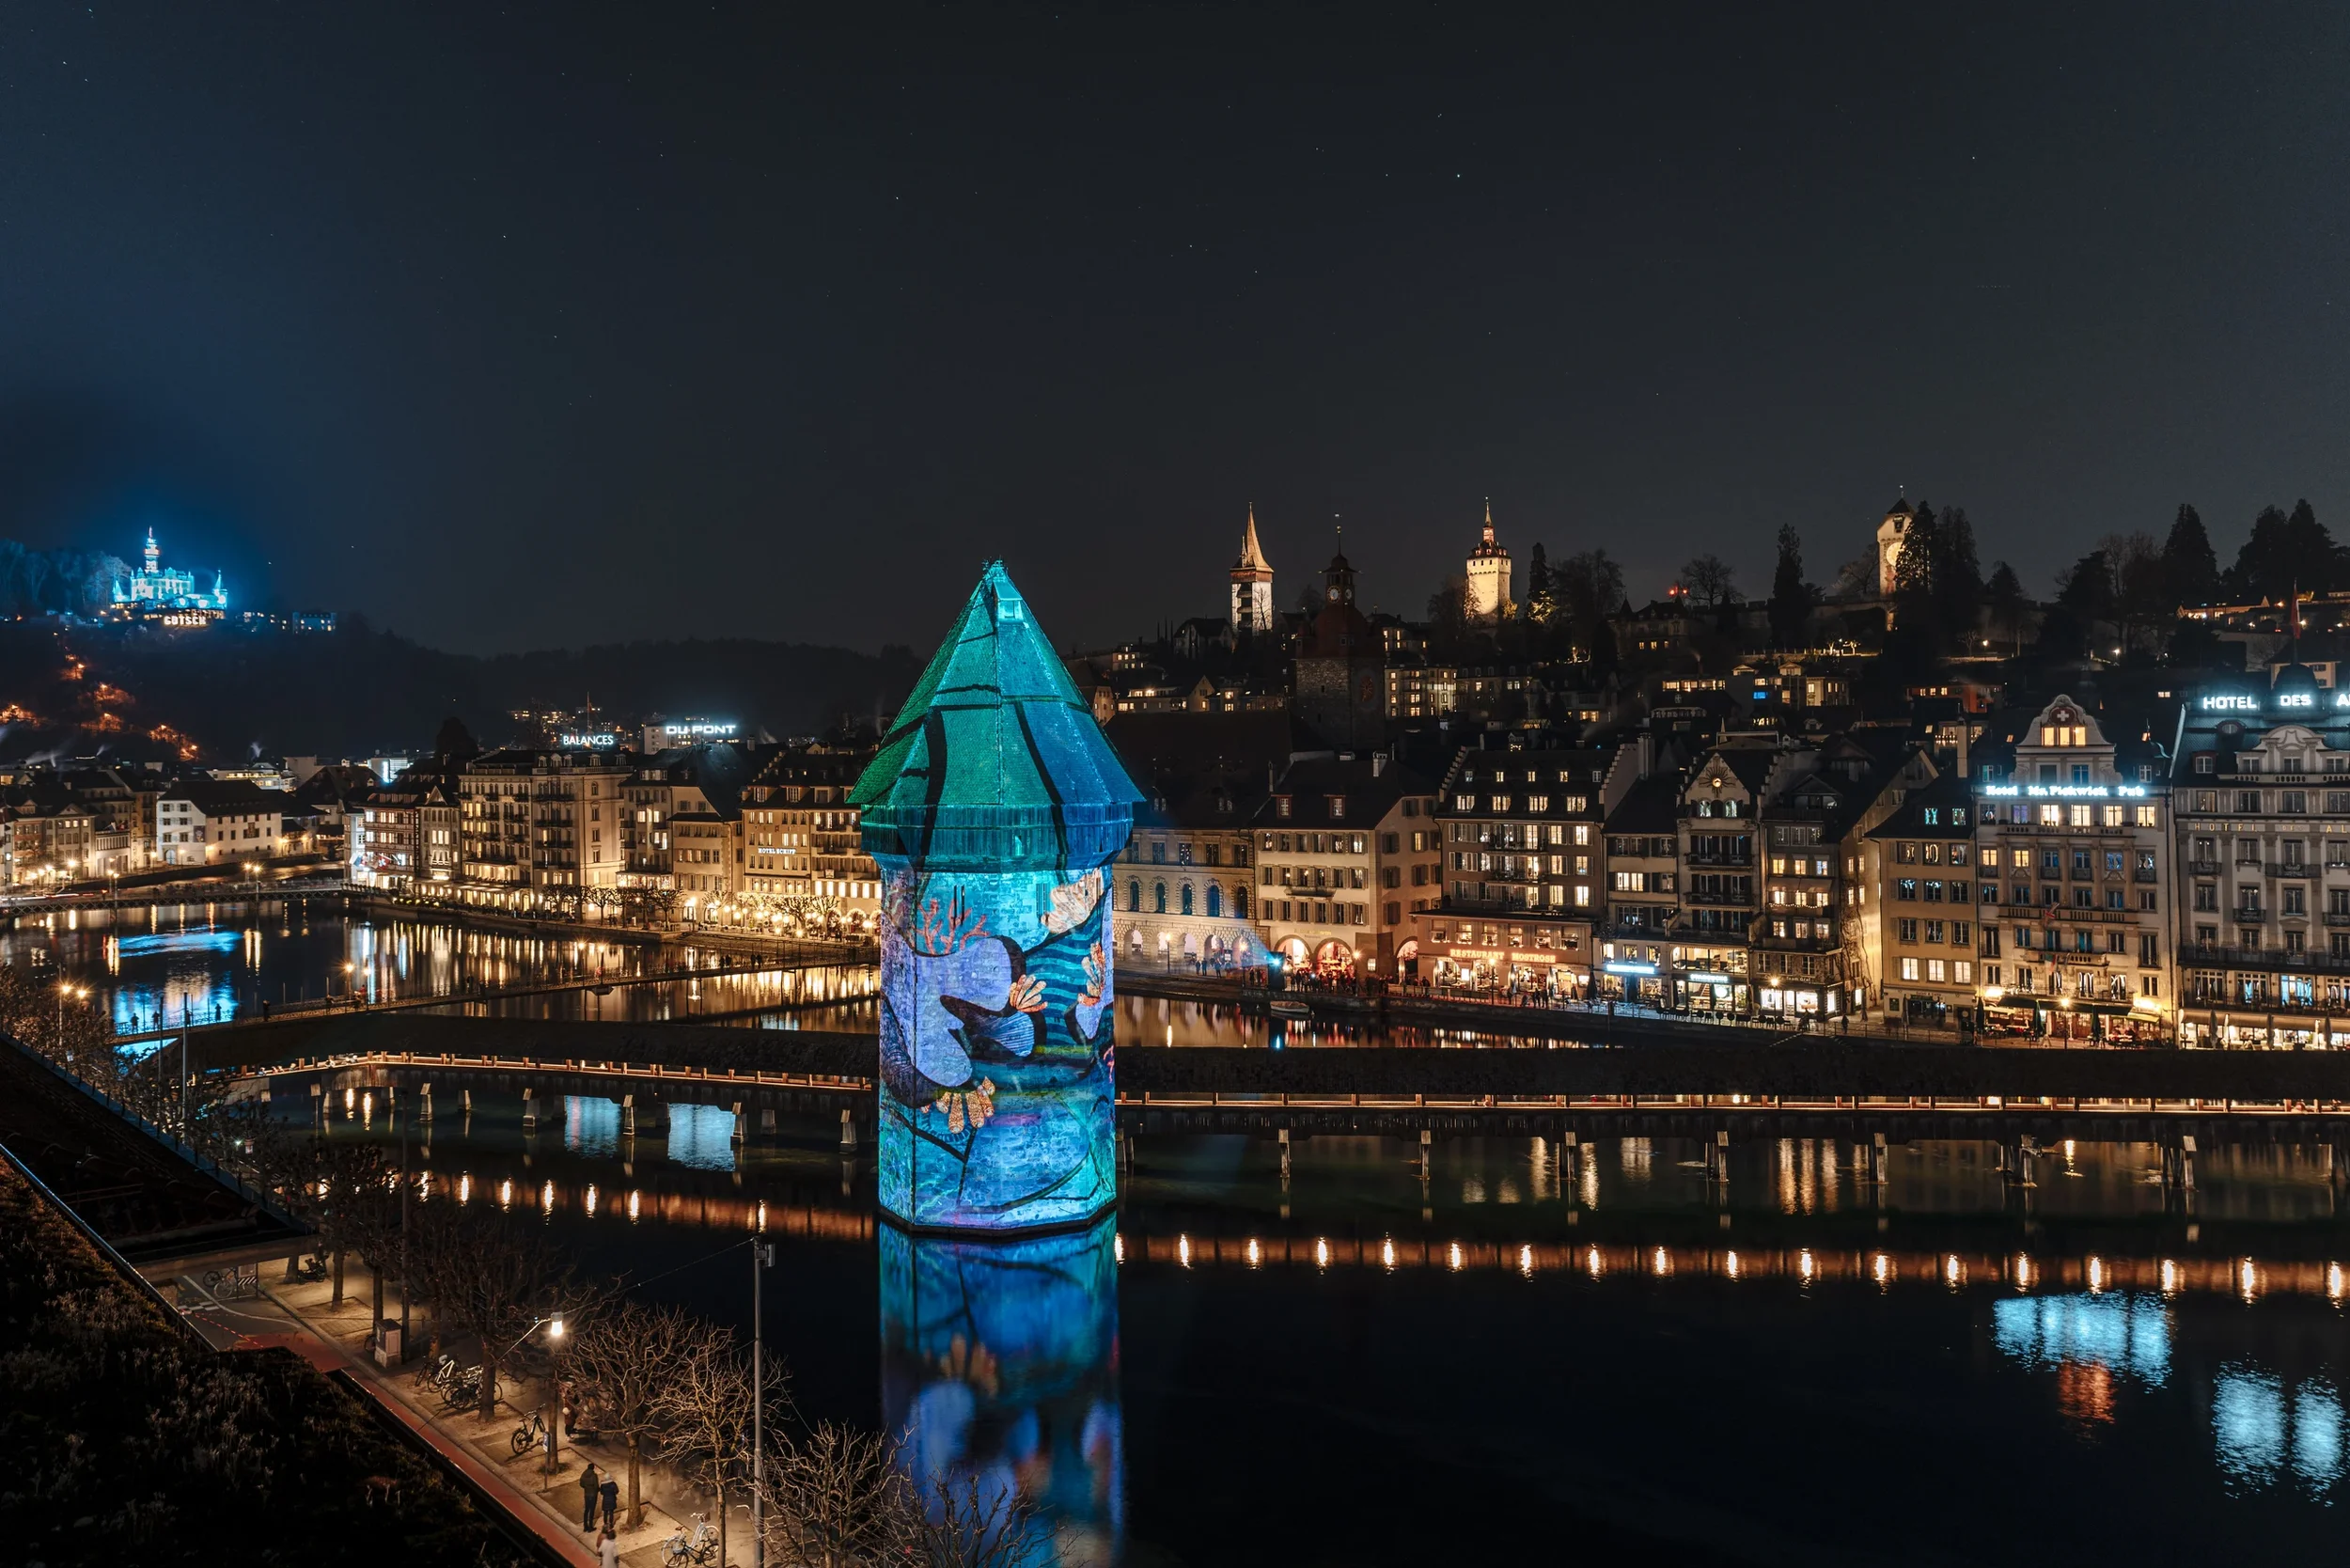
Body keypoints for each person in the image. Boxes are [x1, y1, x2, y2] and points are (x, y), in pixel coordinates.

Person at [578, 1461, 600, 1531]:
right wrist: (597, 1490)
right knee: (592, 1510)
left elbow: (581, 1484)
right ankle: (590, 1526)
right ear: (593, 1468)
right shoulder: (594, 1476)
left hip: (587, 1494)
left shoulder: (583, 1475)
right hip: (593, 1495)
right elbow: (596, 1486)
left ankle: (585, 1526)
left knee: (586, 1510)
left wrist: (586, 1487)